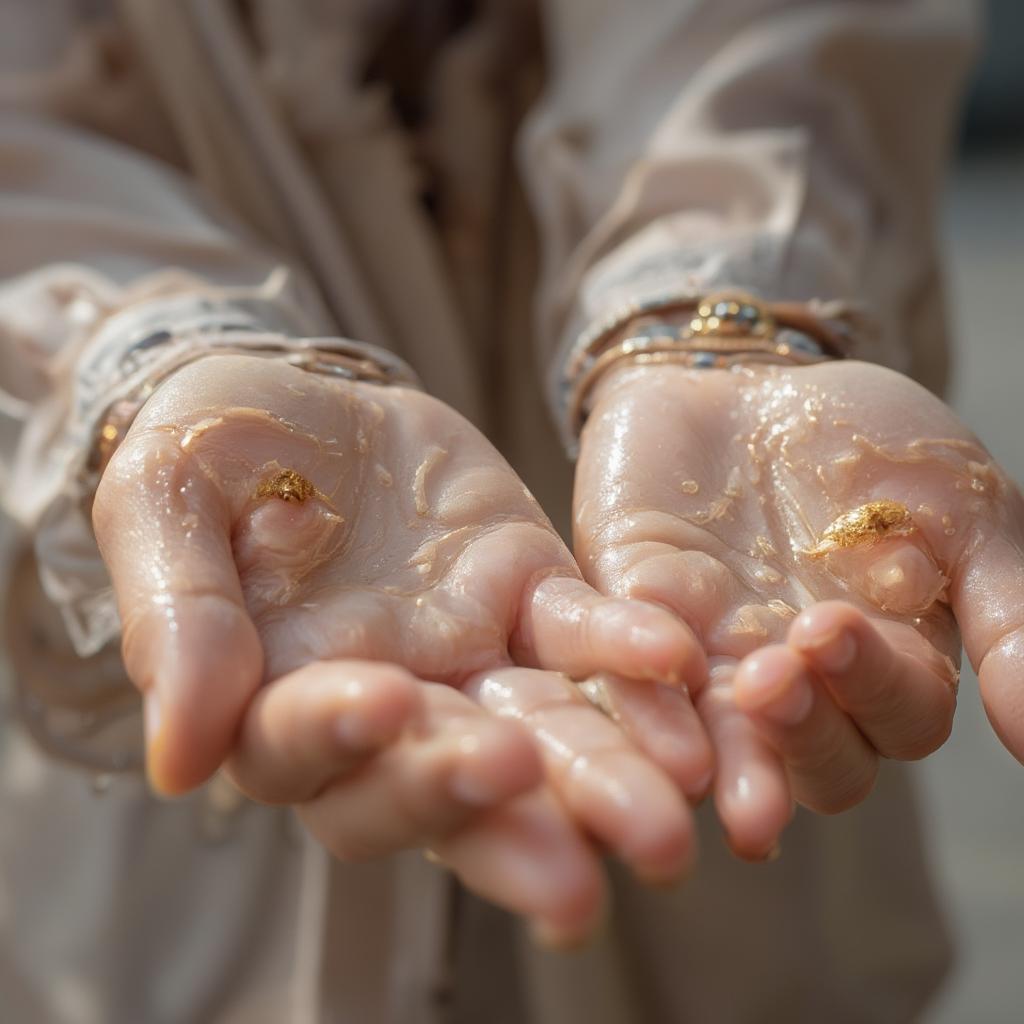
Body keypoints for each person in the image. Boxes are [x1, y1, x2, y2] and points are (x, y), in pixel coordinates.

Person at [2, 1, 1020, 1022]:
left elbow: (764, 40)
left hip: (718, 808)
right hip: (168, 907)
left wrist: (719, 303)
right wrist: (143, 361)